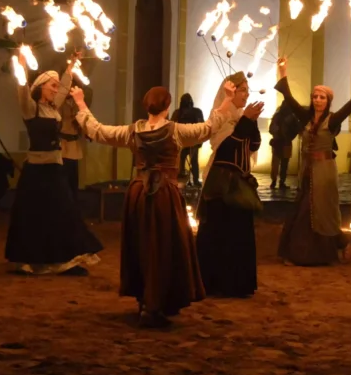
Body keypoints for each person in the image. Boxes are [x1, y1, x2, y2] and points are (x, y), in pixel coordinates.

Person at [72, 81, 238, 327]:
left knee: (144, 245)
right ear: (168, 106)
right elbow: (209, 127)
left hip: (139, 194)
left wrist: (80, 103)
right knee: (164, 247)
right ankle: (154, 304)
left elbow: (98, 131)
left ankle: (149, 300)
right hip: (164, 196)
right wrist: (227, 99)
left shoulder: (133, 131)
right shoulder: (175, 131)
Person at [274, 57, 351, 266]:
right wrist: (283, 73)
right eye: (315, 97)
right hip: (308, 170)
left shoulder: (333, 119)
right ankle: (340, 245)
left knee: (318, 211)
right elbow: (290, 99)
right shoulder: (306, 118)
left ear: (328, 101)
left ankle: (308, 254)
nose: (318, 100)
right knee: (305, 208)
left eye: (322, 97)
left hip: (324, 172)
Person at [6, 70, 103, 276]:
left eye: (58, 86)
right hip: (35, 171)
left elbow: (64, 88)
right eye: (53, 85)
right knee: (33, 215)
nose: (57, 90)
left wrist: (70, 67)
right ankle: (28, 261)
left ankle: (66, 261)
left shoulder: (53, 108)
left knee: (64, 212)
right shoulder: (31, 109)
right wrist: (21, 66)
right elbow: (22, 90)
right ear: (41, 86)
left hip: (55, 168)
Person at [196, 72, 265, 297]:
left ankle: (237, 283)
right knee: (220, 232)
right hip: (222, 184)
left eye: (247, 90)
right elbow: (226, 146)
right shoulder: (222, 115)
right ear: (231, 92)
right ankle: (215, 282)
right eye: (242, 90)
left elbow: (253, 144)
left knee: (239, 234)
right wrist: (245, 120)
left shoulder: (241, 116)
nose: (246, 94)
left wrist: (250, 121)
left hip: (239, 183)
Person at [58, 54, 91, 200]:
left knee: (73, 178)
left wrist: (87, 132)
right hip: (62, 145)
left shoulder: (78, 104)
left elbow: (84, 120)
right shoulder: (59, 103)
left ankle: (73, 203)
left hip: (74, 146)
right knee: (62, 178)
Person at [170, 93, 204, 187]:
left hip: (188, 141)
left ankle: (192, 179)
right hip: (186, 141)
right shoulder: (181, 112)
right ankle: (192, 180)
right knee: (189, 161)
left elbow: (201, 126)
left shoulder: (179, 112)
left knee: (188, 160)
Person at [268, 98, 302, 190]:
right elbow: (272, 128)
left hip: (283, 142)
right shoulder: (281, 116)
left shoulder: (282, 116)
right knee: (280, 163)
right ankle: (277, 181)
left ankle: (278, 181)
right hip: (281, 141)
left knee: (281, 163)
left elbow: (296, 128)